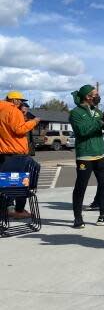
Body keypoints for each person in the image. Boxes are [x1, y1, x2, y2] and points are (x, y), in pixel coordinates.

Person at [69, 84, 104, 228]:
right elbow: (83, 131)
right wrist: (101, 121)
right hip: (85, 155)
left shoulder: (96, 111)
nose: (97, 96)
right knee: (81, 186)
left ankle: (103, 216)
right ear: (87, 96)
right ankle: (78, 218)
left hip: (101, 153)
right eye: (95, 94)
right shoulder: (76, 113)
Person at [0, 91, 41, 219]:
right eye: (20, 101)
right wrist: (34, 121)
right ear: (14, 100)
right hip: (16, 153)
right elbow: (19, 130)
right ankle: (17, 210)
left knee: (7, 183)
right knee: (20, 183)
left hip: (5, 152)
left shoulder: (2, 110)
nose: (21, 104)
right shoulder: (13, 111)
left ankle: (8, 209)